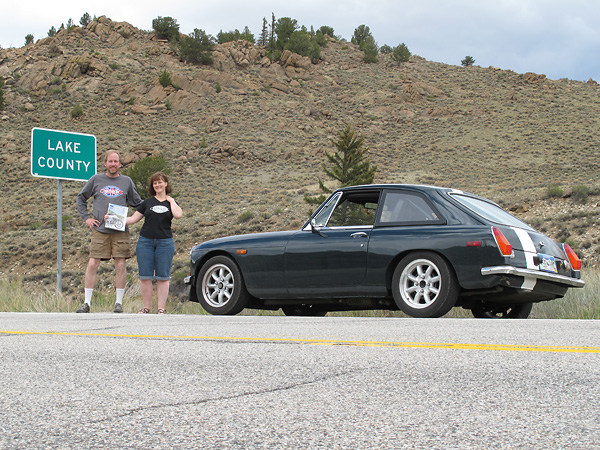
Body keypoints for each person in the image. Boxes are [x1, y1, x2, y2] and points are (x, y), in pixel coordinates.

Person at [75, 151, 142, 313]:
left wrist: (133, 218)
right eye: (110, 161)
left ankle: (118, 303)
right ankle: (87, 303)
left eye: (116, 161)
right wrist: (87, 218)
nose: (113, 164)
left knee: (120, 264)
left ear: (120, 164)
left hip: (120, 231)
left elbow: (138, 203)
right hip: (100, 230)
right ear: (105, 163)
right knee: (93, 263)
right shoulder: (96, 180)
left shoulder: (126, 181)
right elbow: (81, 198)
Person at [126, 172, 183, 314]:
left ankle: (161, 309)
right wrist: (114, 218)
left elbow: (178, 215)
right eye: (155, 183)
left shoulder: (171, 203)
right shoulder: (147, 203)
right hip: (145, 242)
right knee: (145, 276)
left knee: (163, 276)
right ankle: (146, 308)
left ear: (166, 184)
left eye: (160, 182)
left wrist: (171, 201)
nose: (157, 185)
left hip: (165, 242)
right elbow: (133, 219)